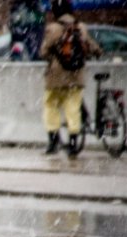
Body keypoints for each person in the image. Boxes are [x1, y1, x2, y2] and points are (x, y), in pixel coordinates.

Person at [39, 0, 101, 157]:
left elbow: (43, 52)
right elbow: (92, 47)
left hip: (56, 77)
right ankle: (74, 143)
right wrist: (98, 52)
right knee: (73, 108)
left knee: (51, 106)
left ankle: (53, 141)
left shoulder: (52, 29)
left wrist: (53, 56)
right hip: (76, 76)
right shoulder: (81, 27)